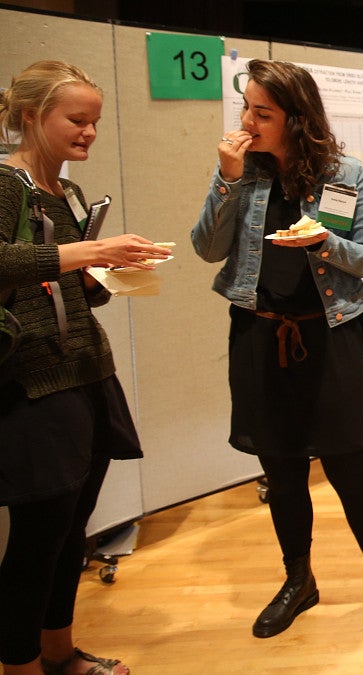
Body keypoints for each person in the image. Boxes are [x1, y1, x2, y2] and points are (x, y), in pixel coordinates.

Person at [190, 59, 363, 641]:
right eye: (246, 110)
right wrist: (227, 178)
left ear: (296, 117)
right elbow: (207, 248)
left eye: (263, 113)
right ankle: (298, 580)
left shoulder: (344, 173)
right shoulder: (242, 172)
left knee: (350, 466)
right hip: (259, 333)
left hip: (330, 334)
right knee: (281, 470)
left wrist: (323, 241)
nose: (249, 122)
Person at [1, 60, 171, 675]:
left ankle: (58, 655)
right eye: (77, 120)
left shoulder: (65, 192)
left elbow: (71, 289)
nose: (89, 133)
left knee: (72, 530)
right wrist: (94, 249)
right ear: (30, 117)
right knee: (38, 539)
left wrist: (110, 272)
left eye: (95, 122)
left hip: (86, 372)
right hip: (33, 384)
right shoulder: (6, 183)